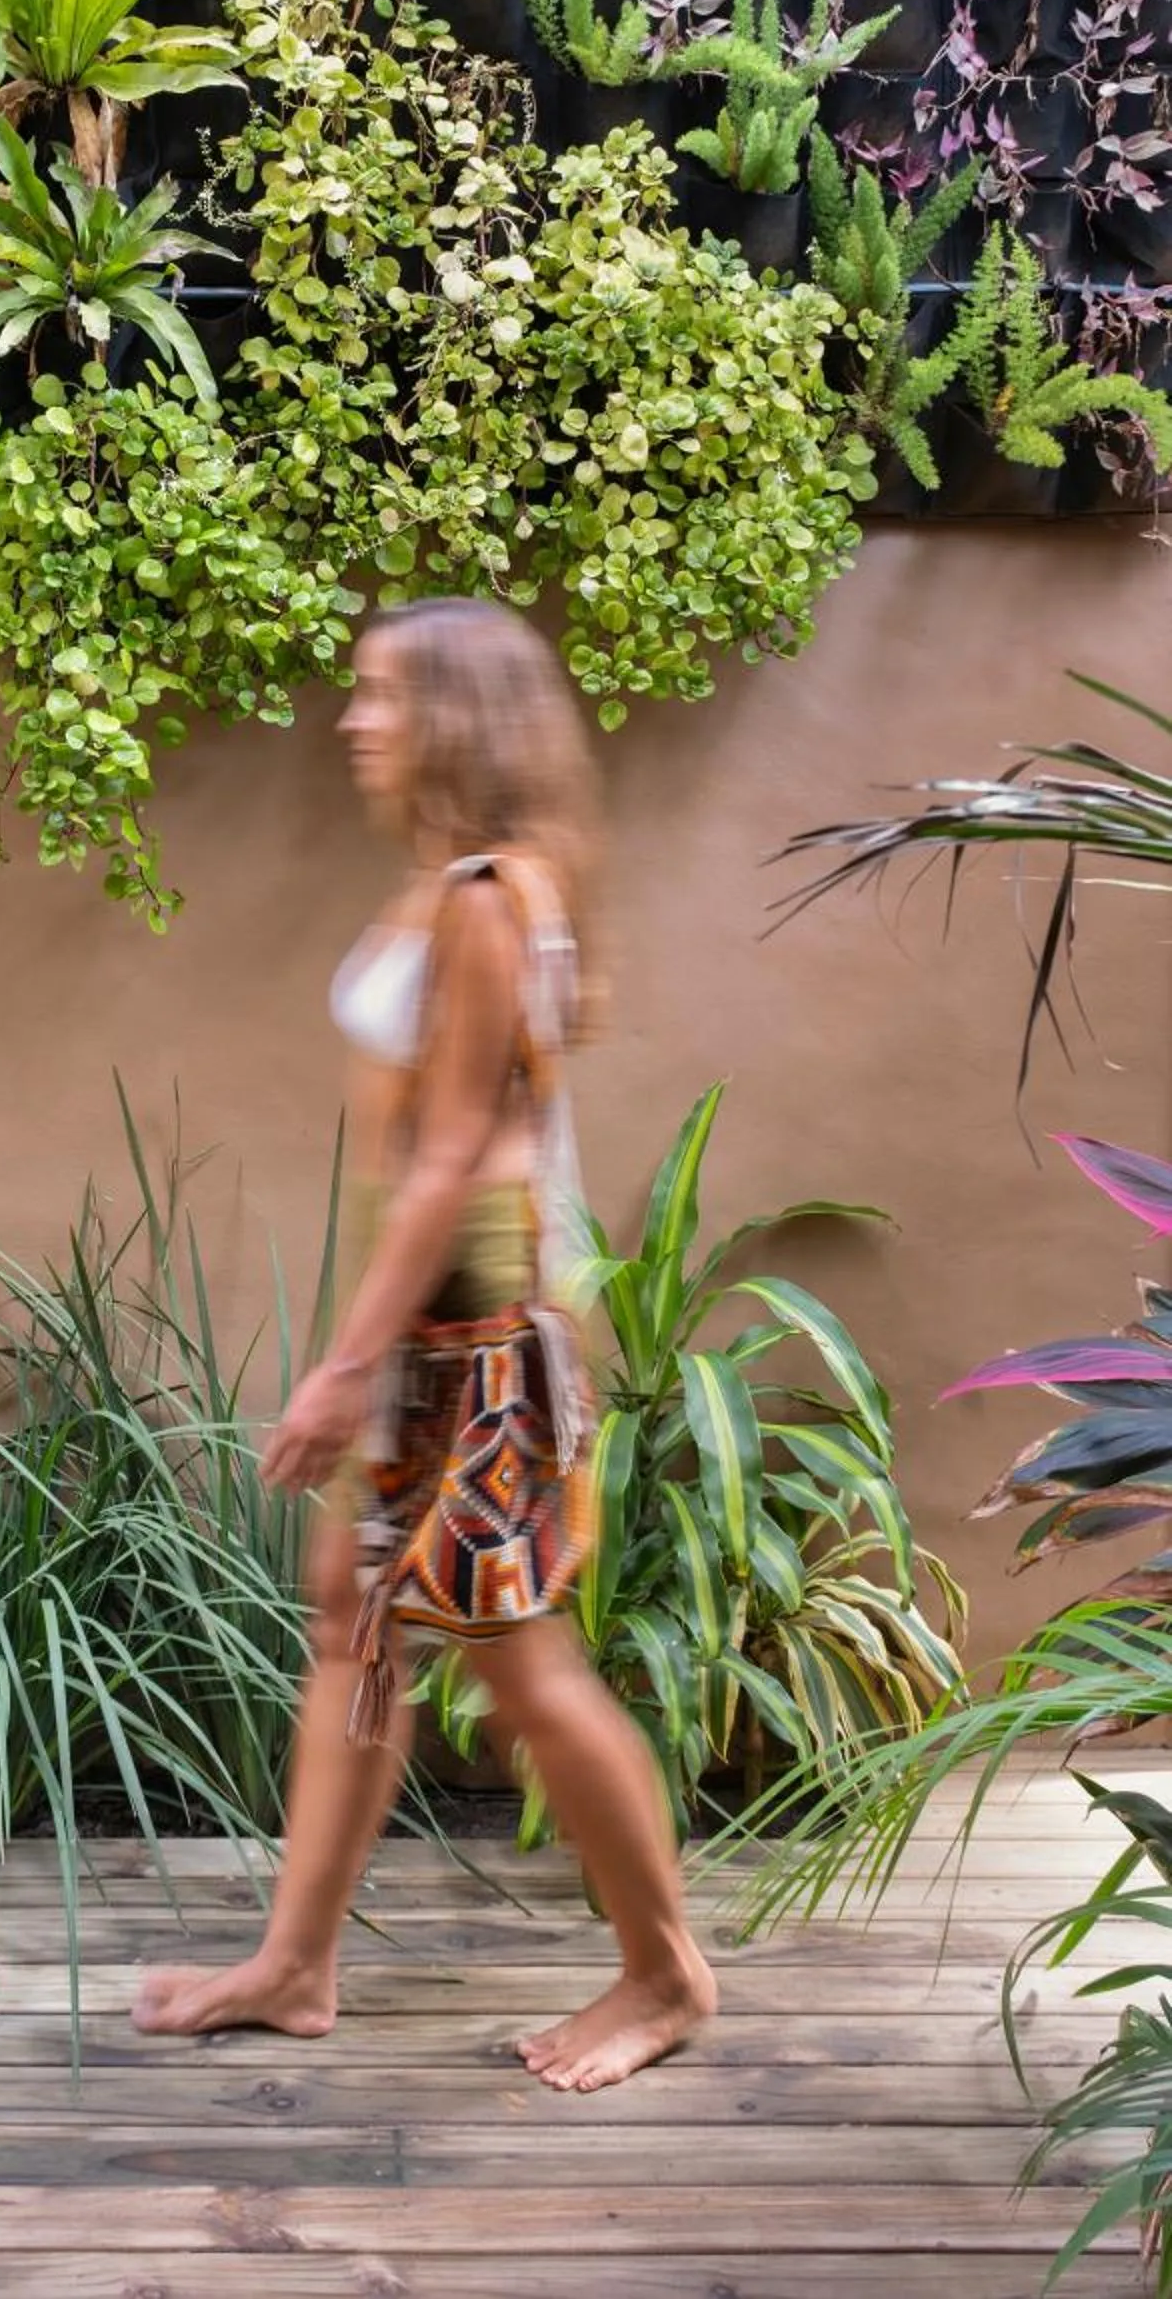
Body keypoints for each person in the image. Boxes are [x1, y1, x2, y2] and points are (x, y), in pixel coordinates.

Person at [132, 595, 716, 2090]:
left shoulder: (480, 894)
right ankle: (295, 1963)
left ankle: (663, 1977)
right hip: (443, 1334)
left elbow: (457, 1152)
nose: (351, 719)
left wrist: (347, 1366)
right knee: (356, 1619)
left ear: (454, 713)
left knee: (519, 1666)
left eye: (378, 694)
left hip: (478, 1344)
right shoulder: (455, 882)